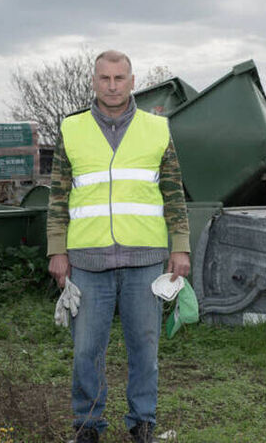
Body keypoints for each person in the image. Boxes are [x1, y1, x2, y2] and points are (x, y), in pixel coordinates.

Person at [47, 50, 190, 443]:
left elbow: (173, 193)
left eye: (120, 78)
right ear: (94, 81)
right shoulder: (71, 129)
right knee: (85, 352)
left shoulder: (157, 129)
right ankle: (88, 426)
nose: (112, 86)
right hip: (87, 262)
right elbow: (58, 197)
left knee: (144, 350)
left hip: (145, 260)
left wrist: (180, 246)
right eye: (105, 78)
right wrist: (56, 250)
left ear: (132, 80)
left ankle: (142, 423)